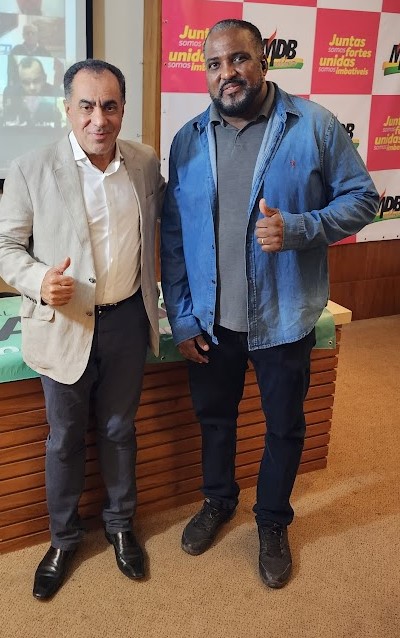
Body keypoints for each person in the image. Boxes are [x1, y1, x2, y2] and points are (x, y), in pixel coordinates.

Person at [160, 19, 378, 589]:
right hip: (211, 321)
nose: (227, 73)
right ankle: (218, 500)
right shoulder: (187, 140)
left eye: (238, 59)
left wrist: (301, 228)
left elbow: (364, 199)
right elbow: (175, 238)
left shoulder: (314, 125)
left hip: (283, 319)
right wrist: (182, 316)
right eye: (214, 64)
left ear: (264, 59)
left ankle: (273, 520)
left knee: (284, 426)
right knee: (215, 420)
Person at [0, 59, 165, 599]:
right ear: (67, 109)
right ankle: (63, 539)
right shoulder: (30, 168)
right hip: (64, 324)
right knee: (66, 438)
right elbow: (6, 246)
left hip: (126, 321)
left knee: (119, 430)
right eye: (87, 106)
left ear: (123, 109)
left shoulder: (144, 163)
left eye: (110, 106)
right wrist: (38, 281)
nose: (99, 119)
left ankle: (120, 526)